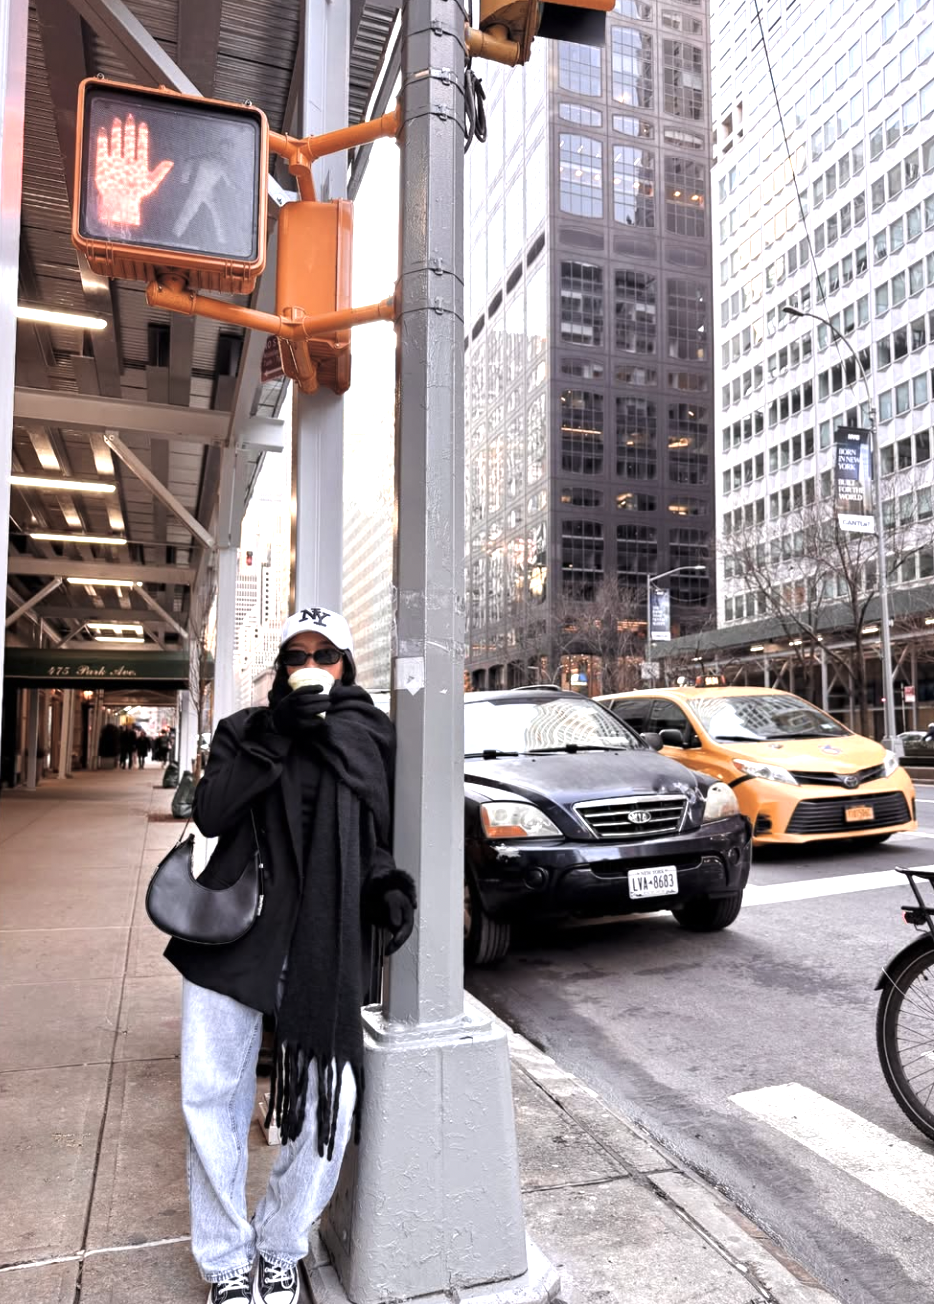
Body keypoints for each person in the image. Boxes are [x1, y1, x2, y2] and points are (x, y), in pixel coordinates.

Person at [164, 606, 417, 1304]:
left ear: (345, 666)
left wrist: (387, 886)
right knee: (211, 1096)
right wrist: (276, 735)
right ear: (280, 670)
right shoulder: (247, 731)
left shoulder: (371, 737)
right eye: (297, 655)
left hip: (323, 942)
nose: (312, 666)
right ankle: (223, 1264)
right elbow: (212, 814)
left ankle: (281, 1246)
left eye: (325, 655)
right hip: (234, 935)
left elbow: (378, 834)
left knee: (328, 1099)